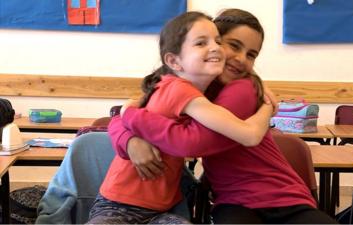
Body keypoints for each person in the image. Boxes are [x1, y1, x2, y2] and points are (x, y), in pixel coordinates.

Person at [110, 9, 337, 224]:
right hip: (233, 200)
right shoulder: (189, 87)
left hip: (280, 196)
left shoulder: (242, 88)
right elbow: (120, 115)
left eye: (251, 55)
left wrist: (132, 116)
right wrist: (130, 140)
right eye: (233, 46)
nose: (240, 59)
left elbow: (196, 144)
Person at [87, 11, 273, 224]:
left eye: (217, 41)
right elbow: (249, 135)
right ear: (175, 61)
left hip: (162, 208)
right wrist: (267, 108)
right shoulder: (181, 91)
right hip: (118, 205)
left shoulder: (173, 86)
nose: (215, 47)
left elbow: (127, 111)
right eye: (201, 43)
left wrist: (128, 113)